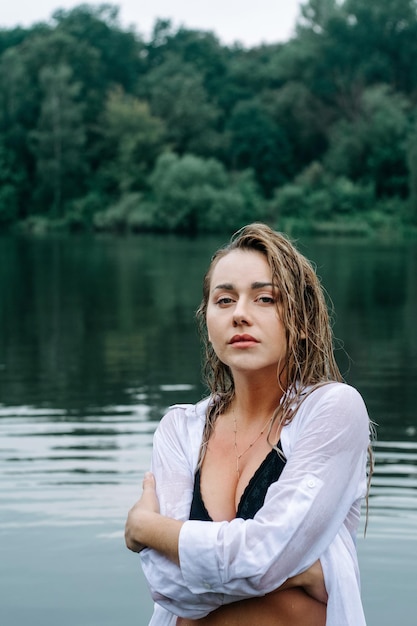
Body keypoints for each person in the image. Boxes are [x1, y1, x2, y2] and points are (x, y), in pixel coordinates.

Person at [125, 223, 373, 626]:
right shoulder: (180, 430)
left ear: (300, 315)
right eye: (224, 300)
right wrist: (303, 573)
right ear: (206, 317)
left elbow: (262, 559)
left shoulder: (331, 411)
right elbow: (167, 584)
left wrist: (148, 529)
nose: (240, 314)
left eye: (265, 298)